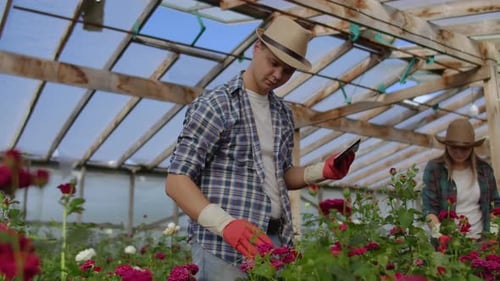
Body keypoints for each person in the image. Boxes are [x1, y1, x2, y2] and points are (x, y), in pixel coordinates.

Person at [165, 15, 356, 280]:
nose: (278, 75)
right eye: (273, 63)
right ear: (257, 47)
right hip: (223, 247)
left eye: (288, 70)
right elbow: (176, 180)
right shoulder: (216, 105)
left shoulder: (282, 113)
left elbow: (281, 176)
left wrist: (322, 170)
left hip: (275, 241)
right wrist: (227, 225)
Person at [421, 118, 500, 240]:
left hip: (481, 241)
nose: (458, 152)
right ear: (447, 146)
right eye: (453, 147)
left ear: (472, 147)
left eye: (464, 148)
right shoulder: (435, 169)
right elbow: (429, 209)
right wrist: (439, 235)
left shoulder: (484, 170)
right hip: (448, 243)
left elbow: (495, 206)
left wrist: (494, 236)